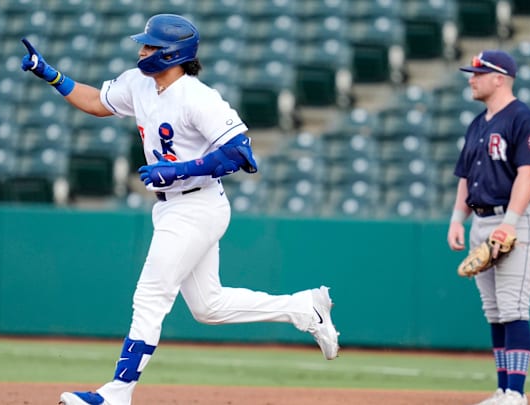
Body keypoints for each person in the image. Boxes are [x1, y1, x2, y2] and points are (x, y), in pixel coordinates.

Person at [20, 14, 339, 405]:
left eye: (151, 46)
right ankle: (304, 308)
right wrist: (50, 74)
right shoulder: (139, 83)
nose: (142, 50)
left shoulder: (197, 97)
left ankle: (119, 392)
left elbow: (242, 153)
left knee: (151, 295)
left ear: (173, 53)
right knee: (209, 306)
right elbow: (97, 102)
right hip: (172, 209)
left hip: (198, 206)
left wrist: (179, 169)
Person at [446, 50, 530, 405]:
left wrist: (510, 223)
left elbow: (528, 173)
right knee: (494, 311)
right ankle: (504, 389)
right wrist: (458, 219)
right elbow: (465, 176)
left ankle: (516, 394)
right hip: (481, 219)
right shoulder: (478, 123)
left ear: (499, 78)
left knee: (513, 307)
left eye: (478, 73)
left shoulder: (524, 119)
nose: (471, 79)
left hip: (515, 220)